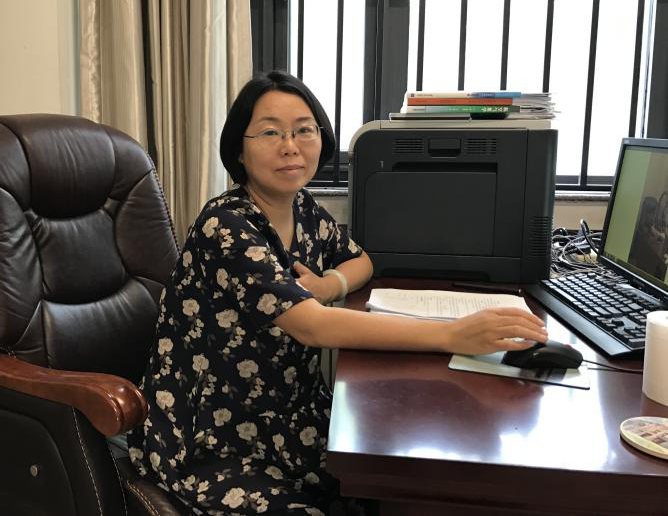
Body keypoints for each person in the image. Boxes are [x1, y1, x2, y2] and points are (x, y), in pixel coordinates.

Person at [128, 71, 547, 515]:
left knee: (401, 483)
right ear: (238, 150)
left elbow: (361, 260)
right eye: (270, 132)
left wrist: (329, 284)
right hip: (211, 435)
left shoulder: (302, 208)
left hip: (289, 420)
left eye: (304, 130)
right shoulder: (226, 224)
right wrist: (450, 334)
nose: (290, 146)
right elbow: (313, 326)